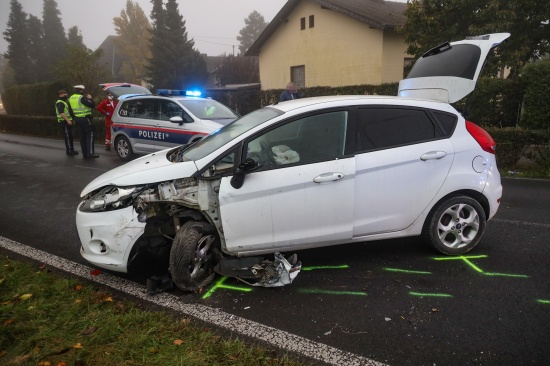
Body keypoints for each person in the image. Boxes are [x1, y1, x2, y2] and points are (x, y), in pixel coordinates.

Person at [69, 85, 98, 158]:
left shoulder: (71, 98)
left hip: (77, 119)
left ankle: (85, 153)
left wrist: (73, 119)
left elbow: (70, 110)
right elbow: (92, 105)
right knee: (90, 135)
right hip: (85, 119)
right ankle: (90, 153)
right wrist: (90, 98)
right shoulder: (82, 98)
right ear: (81, 90)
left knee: (82, 137)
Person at [55, 90, 78, 156]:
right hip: (63, 122)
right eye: (63, 94)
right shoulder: (60, 103)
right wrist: (68, 120)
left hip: (67, 121)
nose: (65, 95)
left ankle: (71, 149)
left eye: (65, 93)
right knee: (67, 137)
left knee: (70, 136)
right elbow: (61, 113)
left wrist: (72, 119)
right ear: (59, 95)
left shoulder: (64, 102)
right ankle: (69, 151)